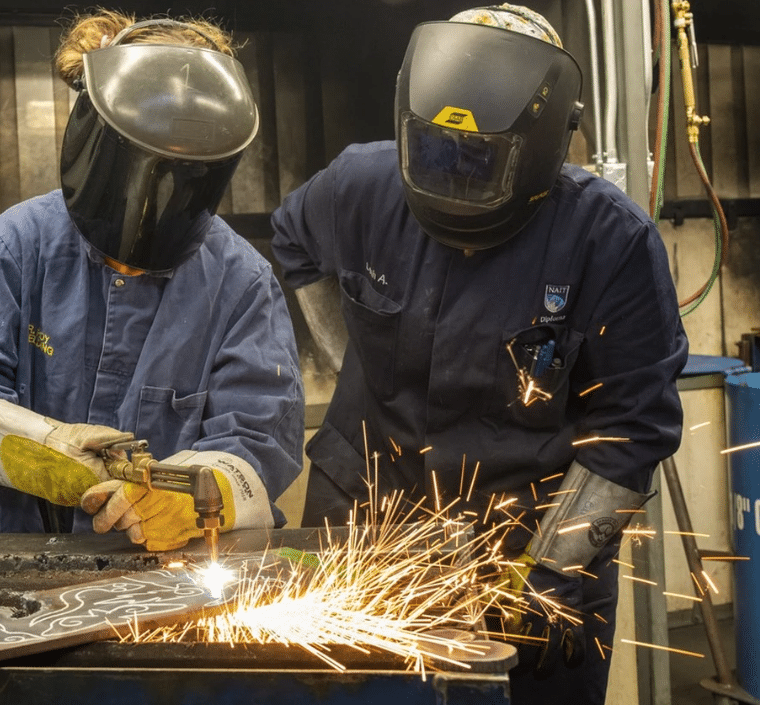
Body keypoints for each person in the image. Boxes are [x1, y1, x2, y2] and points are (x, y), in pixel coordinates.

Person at [270, 4, 686, 704]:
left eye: (480, 162)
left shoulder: (611, 241)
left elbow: (631, 431)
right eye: (435, 154)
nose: (454, 179)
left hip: (528, 535)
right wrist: (354, 361)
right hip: (365, 514)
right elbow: (292, 240)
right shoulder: (361, 184)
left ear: (544, 143)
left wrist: (551, 571)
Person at [0, 9, 304, 552]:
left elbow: (262, 436)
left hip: (175, 565)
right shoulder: (18, 245)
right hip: (23, 555)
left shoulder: (241, 279)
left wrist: (198, 496)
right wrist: (36, 448)